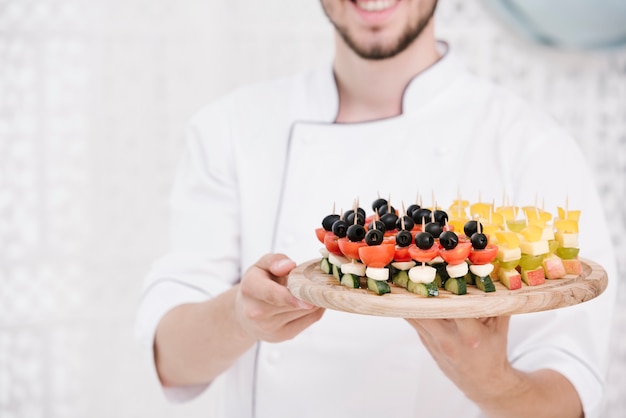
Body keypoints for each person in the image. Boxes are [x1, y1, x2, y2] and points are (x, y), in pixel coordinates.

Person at [135, 1, 617, 417]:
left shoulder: (531, 145)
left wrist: (492, 382)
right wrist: (240, 316)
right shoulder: (231, 128)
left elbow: (571, 397)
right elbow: (168, 361)